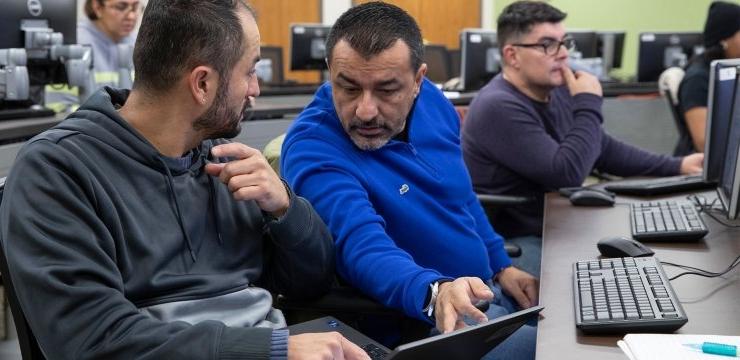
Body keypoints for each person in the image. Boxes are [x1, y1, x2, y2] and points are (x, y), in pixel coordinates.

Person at [0, 1, 370, 359]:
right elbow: (92, 341)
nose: (255, 89)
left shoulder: (224, 160)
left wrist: (286, 209)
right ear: (203, 84)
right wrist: (271, 350)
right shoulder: (57, 170)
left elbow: (311, 283)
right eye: (250, 71)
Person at [281, 2, 539, 359]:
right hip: (433, 320)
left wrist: (501, 264)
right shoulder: (314, 149)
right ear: (330, 73)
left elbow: (459, 195)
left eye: (387, 90)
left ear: (418, 80)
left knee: (597, 310)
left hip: (490, 289)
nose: (365, 110)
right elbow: (362, 248)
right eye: (349, 88)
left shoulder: (433, 102)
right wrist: (434, 293)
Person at [461, 1, 704, 240]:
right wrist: (587, 102)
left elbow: (603, 148)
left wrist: (678, 166)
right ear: (512, 55)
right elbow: (566, 174)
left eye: (565, 43)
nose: (564, 53)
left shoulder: (558, 89)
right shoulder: (498, 105)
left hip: (558, 221)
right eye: (548, 45)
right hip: (519, 239)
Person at [678, 1, 740, 153]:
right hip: (704, 168)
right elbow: (704, 142)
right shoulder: (698, 78)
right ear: (724, 39)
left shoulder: (733, 71)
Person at [78, 0, 140, 88]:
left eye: (135, 7)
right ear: (97, 7)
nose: (131, 16)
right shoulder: (77, 45)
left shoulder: (139, 43)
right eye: (121, 7)